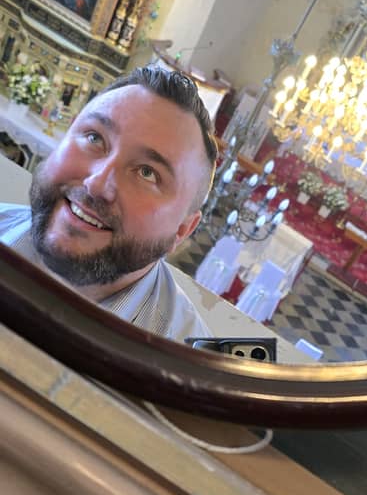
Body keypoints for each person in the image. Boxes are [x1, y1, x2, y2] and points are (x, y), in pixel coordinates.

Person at [0, 65, 218, 341]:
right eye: (94, 138)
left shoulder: (187, 361)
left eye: (147, 173)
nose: (97, 183)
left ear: (182, 230)